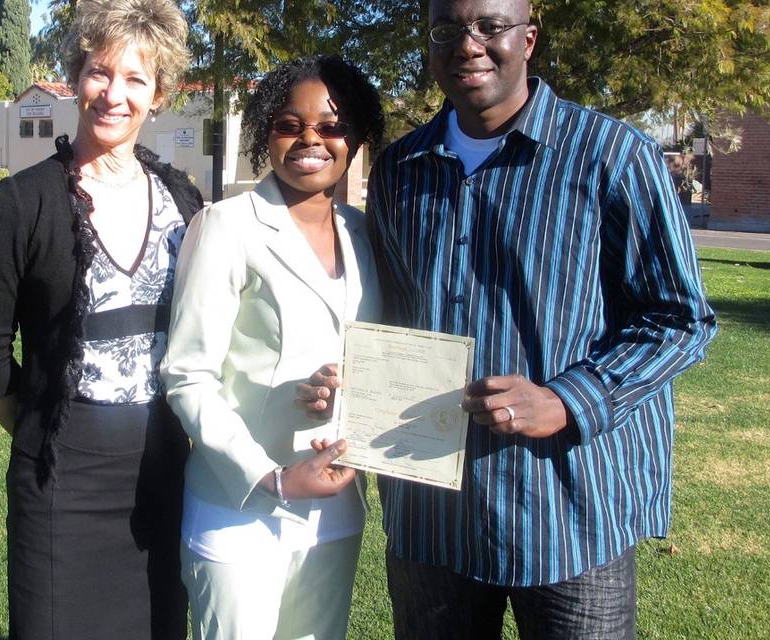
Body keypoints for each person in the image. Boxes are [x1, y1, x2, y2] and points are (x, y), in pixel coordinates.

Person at [363, 0, 717, 637]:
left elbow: (681, 319)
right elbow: (390, 315)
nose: (467, 45)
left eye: (489, 26)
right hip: (432, 514)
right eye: (447, 31)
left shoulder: (614, 157)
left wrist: (567, 399)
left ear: (528, 37)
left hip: (569, 513)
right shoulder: (398, 170)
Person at [0, 1, 202, 638]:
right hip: (61, 484)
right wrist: (45, 430)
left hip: (167, 477)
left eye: (135, 79)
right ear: (75, 79)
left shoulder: (185, 202)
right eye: (99, 72)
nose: (113, 94)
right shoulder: (21, 204)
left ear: (160, 93)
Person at [160, 55, 385, 640]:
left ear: (356, 137)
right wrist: (272, 479)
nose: (311, 139)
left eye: (332, 126)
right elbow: (187, 374)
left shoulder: (363, 235)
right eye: (291, 124)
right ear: (267, 132)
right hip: (240, 506)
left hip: (334, 509)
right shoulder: (226, 226)